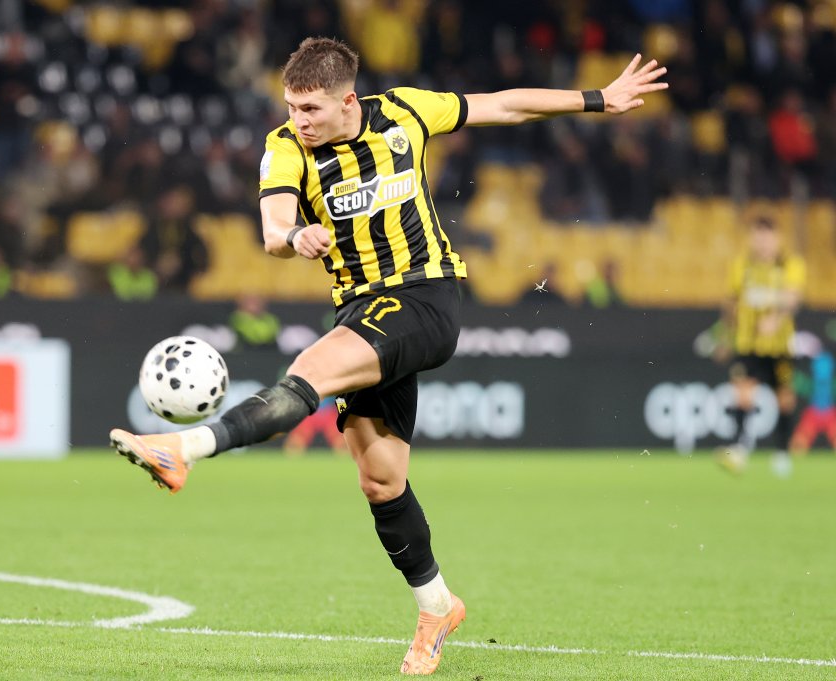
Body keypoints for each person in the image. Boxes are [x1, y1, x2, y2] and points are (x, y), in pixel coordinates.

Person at [110, 38, 666, 675]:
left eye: (311, 109)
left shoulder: (404, 111)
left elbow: (505, 105)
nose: (299, 119)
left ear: (348, 100)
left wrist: (598, 99)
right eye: (291, 106)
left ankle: (184, 450)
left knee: (306, 374)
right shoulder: (285, 147)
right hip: (361, 311)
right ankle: (438, 607)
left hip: (425, 298)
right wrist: (294, 235)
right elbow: (272, 229)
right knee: (380, 480)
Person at [717, 215, 805, 476]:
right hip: (748, 343)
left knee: (784, 399)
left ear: (777, 239)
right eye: (758, 237)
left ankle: (782, 451)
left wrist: (775, 319)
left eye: (767, 237)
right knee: (742, 393)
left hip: (779, 346)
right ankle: (739, 449)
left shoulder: (790, 264)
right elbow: (731, 302)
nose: (762, 243)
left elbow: (793, 298)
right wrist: (725, 337)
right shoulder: (741, 265)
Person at [790, 350, 836, 456]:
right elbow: (800, 384)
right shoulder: (812, 384)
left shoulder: (832, 384)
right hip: (813, 413)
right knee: (799, 441)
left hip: (830, 414)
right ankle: (795, 460)